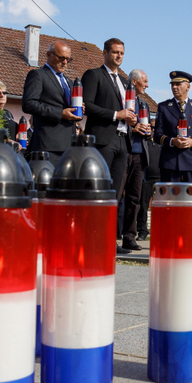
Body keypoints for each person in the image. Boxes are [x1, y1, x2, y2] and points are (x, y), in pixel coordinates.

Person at [81, 38, 137, 254]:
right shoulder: (93, 75)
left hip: (123, 140)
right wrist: (116, 114)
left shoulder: (125, 82)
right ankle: (93, 239)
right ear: (104, 53)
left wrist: (131, 119)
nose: (119, 56)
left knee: (114, 193)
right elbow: (88, 106)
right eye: (115, 52)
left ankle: (109, 241)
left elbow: (127, 110)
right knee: (100, 191)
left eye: (122, 53)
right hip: (103, 139)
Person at [21, 41, 83, 164]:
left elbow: (68, 108)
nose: (65, 62)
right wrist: (60, 113)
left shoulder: (69, 82)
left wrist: (78, 109)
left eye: (68, 59)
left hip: (68, 146)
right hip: (48, 145)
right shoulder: (38, 75)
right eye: (61, 58)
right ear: (49, 55)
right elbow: (28, 104)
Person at [153, 71, 192, 183]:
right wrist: (172, 141)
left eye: (178, 84)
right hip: (170, 162)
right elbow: (157, 135)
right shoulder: (163, 107)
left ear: (188, 86)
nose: (174, 87)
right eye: (172, 85)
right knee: (170, 194)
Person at [119, 69, 153, 251]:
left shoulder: (144, 104)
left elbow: (147, 129)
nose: (147, 85)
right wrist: (133, 129)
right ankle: (110, 236)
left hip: (139, 156)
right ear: (134, 81)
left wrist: (148, 131)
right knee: (117, 195)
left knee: (135, 198)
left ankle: (129, 237)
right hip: (123, 152)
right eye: (144, 81)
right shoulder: (122, 98)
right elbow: (119, 124)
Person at [136, 113, 161, 241]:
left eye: (155, 128)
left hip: (160, 180)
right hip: (146, 179)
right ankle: (142, 231)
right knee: (143, 206)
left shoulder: (162, 144)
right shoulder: (143, 142)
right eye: (151, 127)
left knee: (160, 208)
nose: (153, 130)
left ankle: (160, 230)